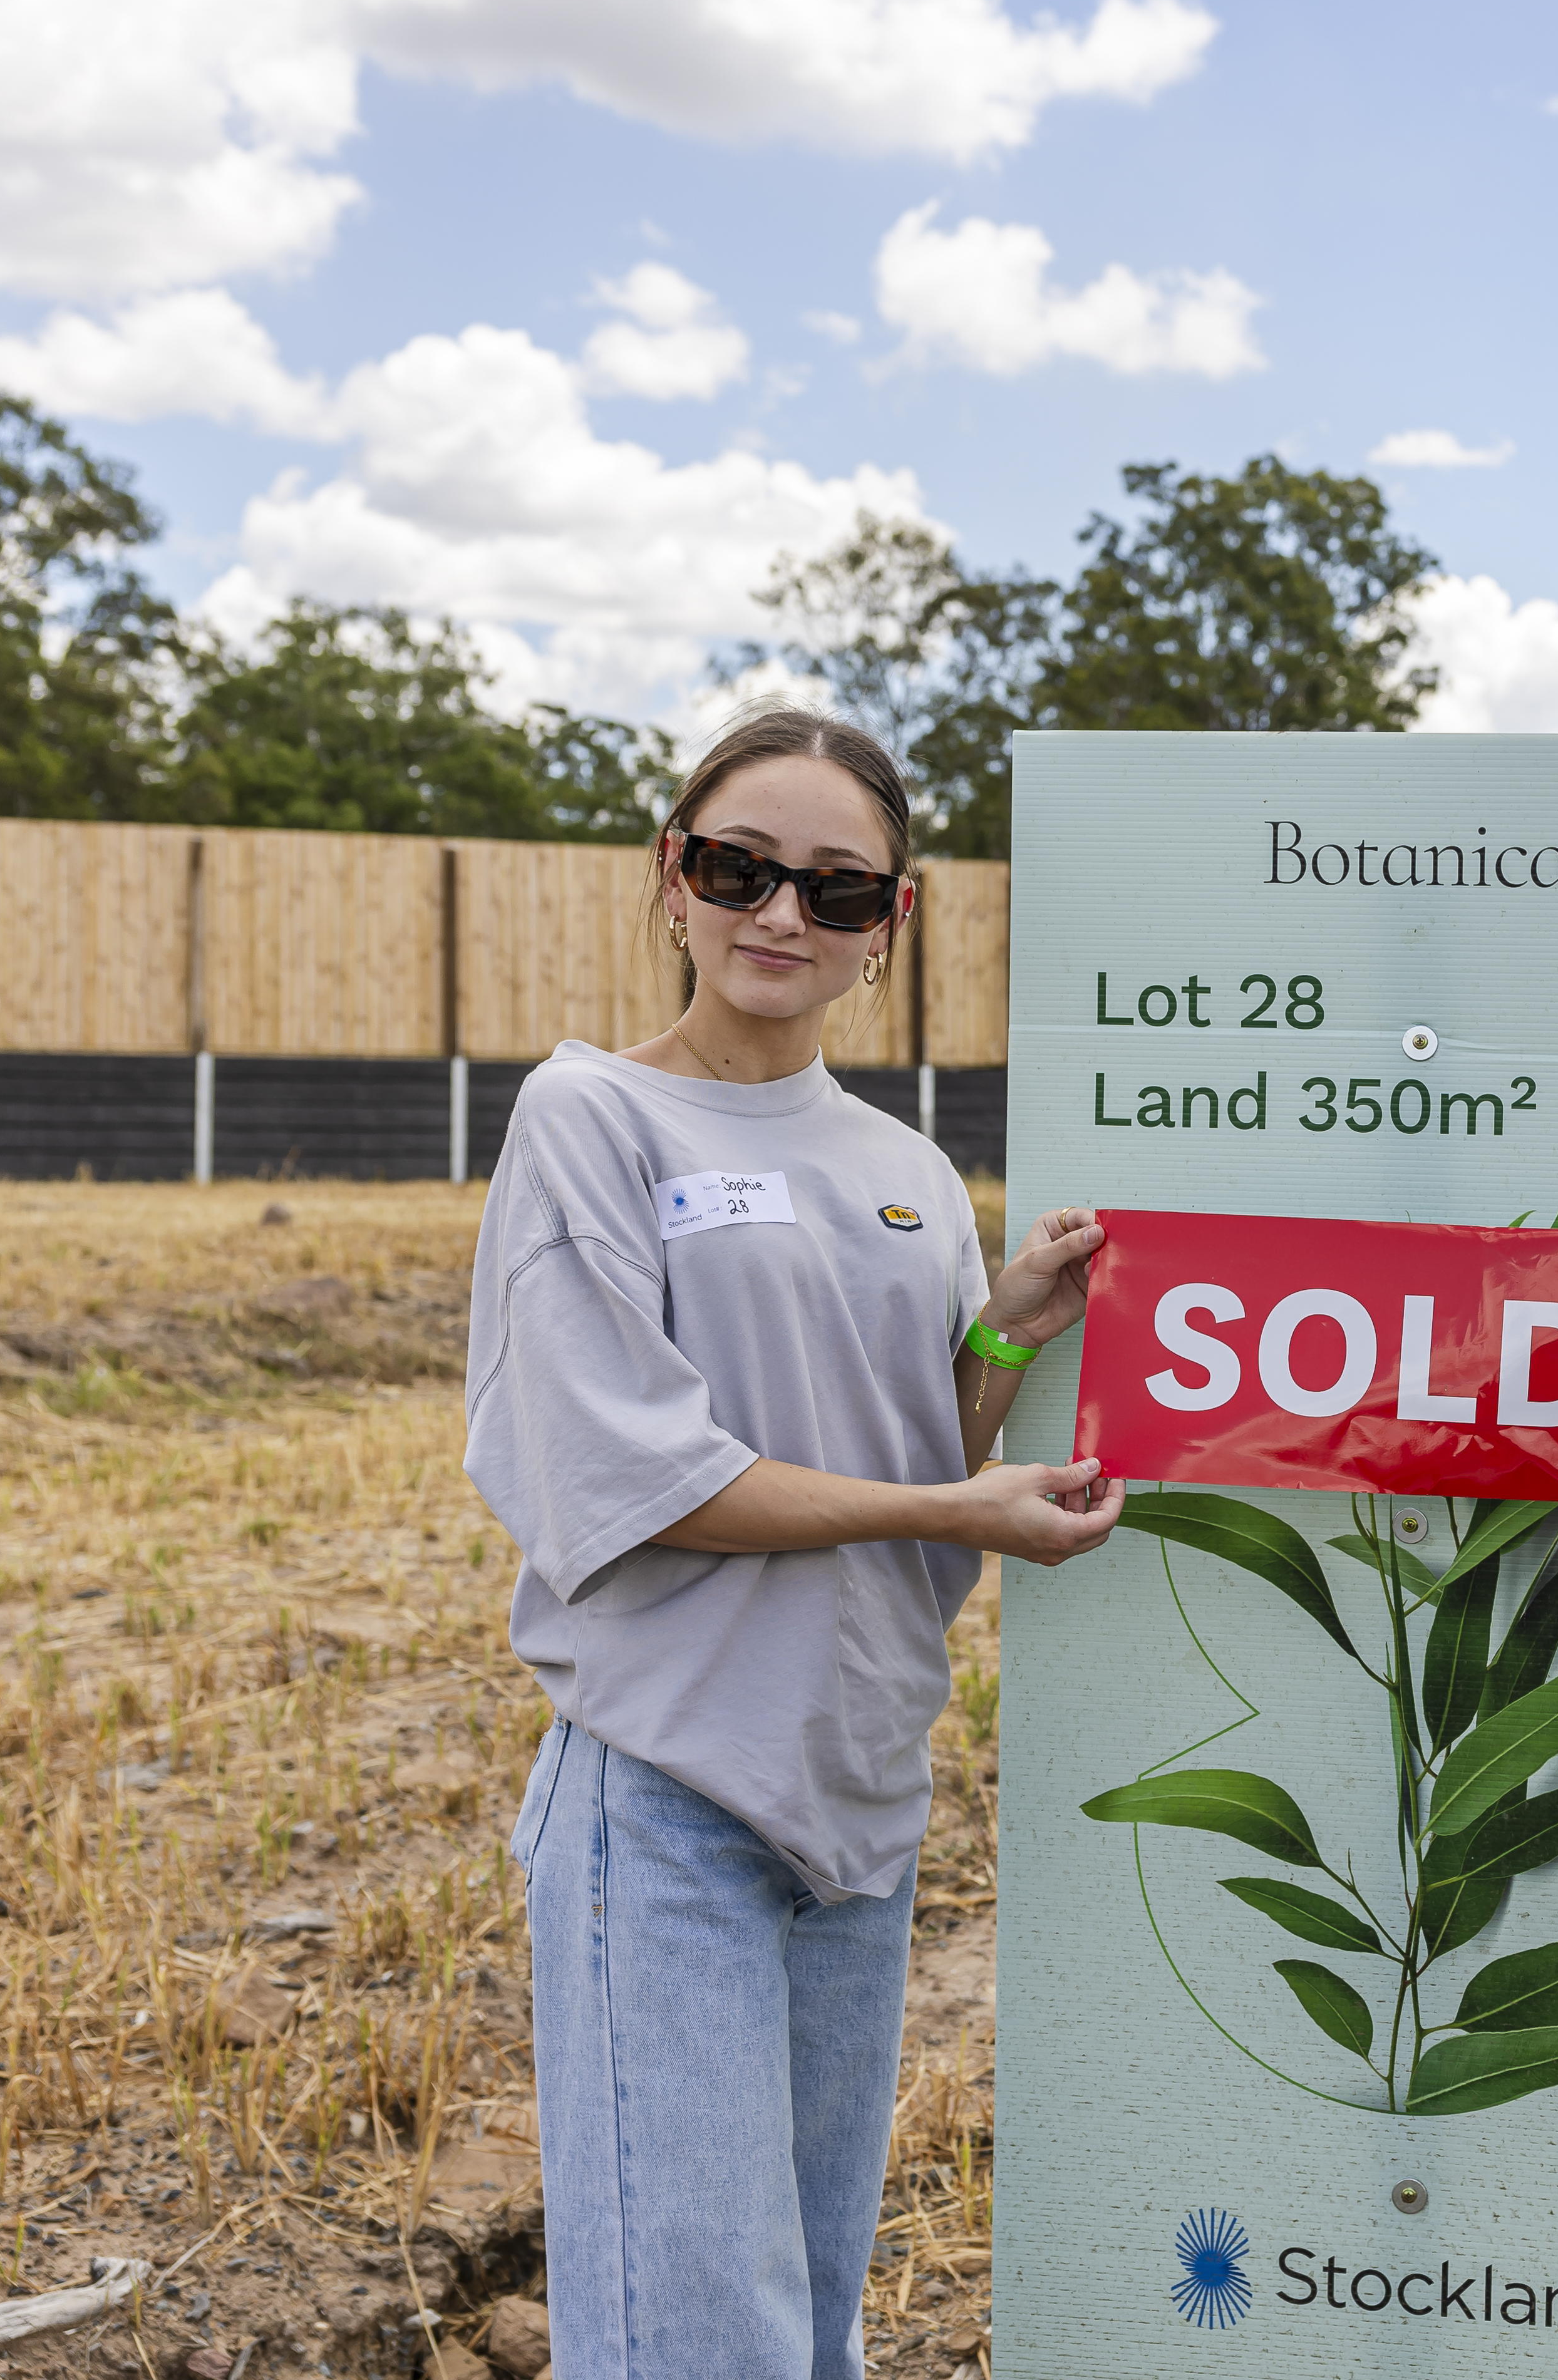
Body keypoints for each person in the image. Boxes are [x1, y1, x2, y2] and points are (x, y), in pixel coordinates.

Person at [465, 696, 1124, 2379]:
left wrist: (1003, 1339)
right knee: (697, 2345)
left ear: (890, 926)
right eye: (742, 867)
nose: (783, 915)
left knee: (805, 2325)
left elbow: (907, 1458)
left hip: (858, 1807)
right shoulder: (592, 1119)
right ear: (671, 879)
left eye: (838, 890)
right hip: (673, 1794)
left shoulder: (902, 1166)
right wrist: (947, 1503)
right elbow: (652, 1478)